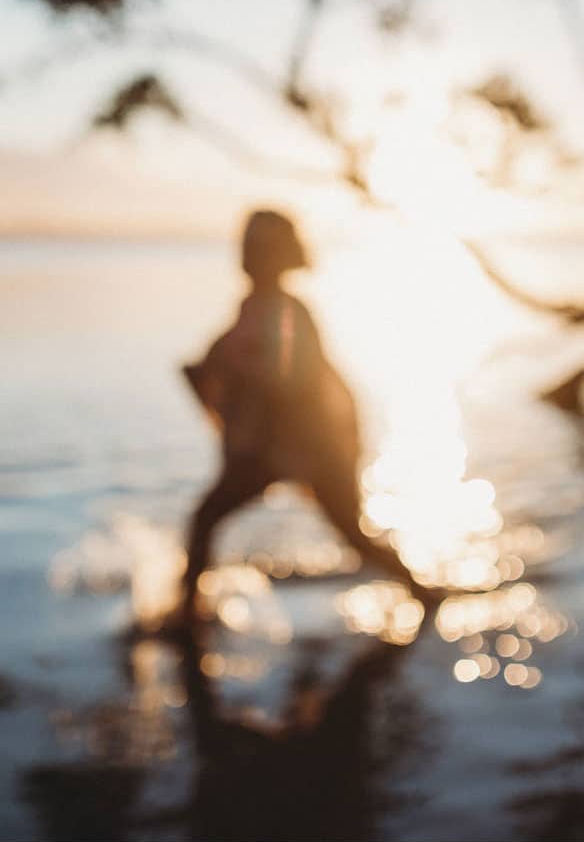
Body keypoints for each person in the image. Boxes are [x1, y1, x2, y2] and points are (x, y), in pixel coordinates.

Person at [181, 209, 429, 619]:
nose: (246, 257)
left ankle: (425, 595)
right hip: (266, 449)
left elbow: (298, 382)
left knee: (352, 534)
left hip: (302, 448)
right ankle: (188, 617)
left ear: (273, 256)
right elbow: (218, 366)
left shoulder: (288, 311)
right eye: (246, 247)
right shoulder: (253, 308)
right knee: (206, 520)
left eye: (256, 249)